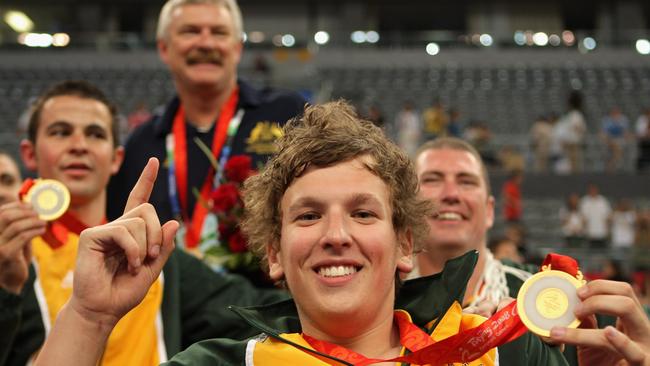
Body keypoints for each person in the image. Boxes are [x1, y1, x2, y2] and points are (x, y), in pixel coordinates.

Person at [34, 101, 503, 365]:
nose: (336, 235)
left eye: (362, 214)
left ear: (404, 244)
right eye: (307, 216)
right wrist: (89, 316)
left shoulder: (487, 351)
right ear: (274, 253)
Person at [0, 81, 286, 366]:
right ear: (28, 153)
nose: (79, 146)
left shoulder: (152, 253)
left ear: (116, 158)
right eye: (60, 132)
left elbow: (250, 309)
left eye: (95, 134)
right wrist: (5, 293)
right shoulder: (11, 258)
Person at [106, 0, 306, 256]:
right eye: (190, 31)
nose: (206, 43)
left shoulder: (288, 114)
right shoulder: (142, 143)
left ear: (237, 48)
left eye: (219, 32)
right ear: (164, 48)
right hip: (168, 293)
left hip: (272, 294)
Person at [411, 137, 566, 364]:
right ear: (406, 205)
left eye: (466, 182)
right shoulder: (381, 303)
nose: (451, 194)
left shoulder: (543, 296)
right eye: (432, 180)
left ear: (490, 210)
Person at [579, 184, 612, 250]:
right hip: (589, 234)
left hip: (602, 233)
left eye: (594, 190)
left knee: (602, 253)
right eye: (591, 190)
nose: (593, 191)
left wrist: (608, 230)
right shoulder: (585, 201)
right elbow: (583, 218)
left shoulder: (603, 201)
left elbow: (608, 216)